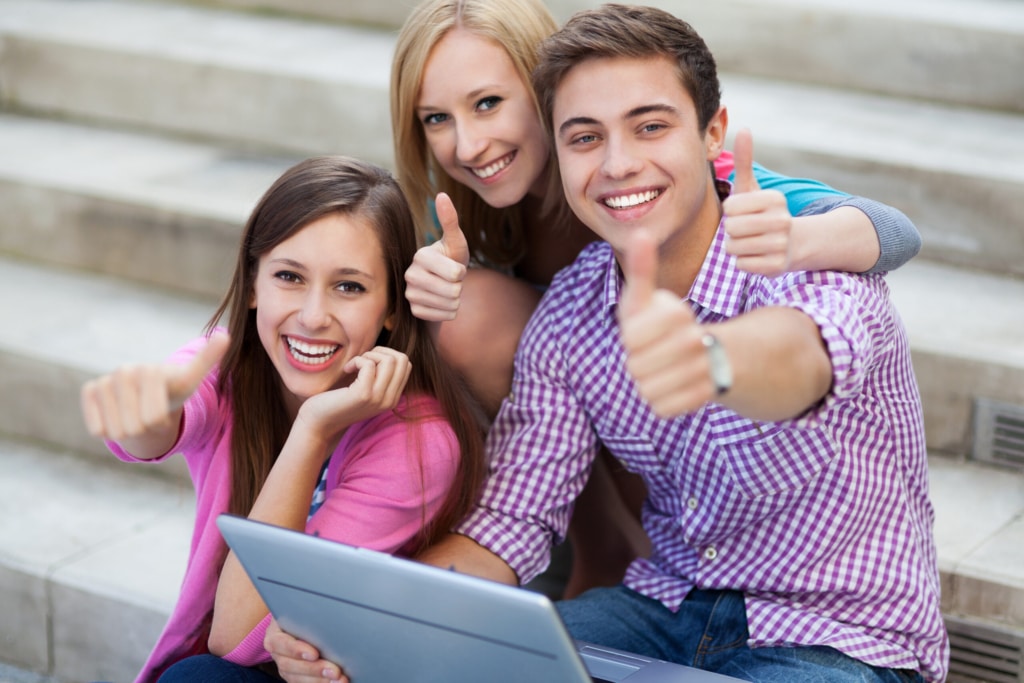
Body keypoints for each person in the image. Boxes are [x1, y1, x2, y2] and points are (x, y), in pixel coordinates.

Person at [268, 5, 946, 682]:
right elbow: (510, 517)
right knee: (461, 662)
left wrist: (712, 359)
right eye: (586, 138)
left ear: (714, 133)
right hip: (663, 609)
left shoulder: (805, 247)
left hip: (843, 636)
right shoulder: (570, 310)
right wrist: (360, 622)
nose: (619, 164)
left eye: (649, 126)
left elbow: (803, 356)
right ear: (557, 149)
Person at [392, 0, 922, 599]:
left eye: (488, 102)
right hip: (598, 414)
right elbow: (514, 506)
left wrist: (795, 244)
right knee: (471, 320)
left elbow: (890, 240)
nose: (468, 144)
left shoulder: (714, 180)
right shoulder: (464, 216)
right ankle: (607, 546)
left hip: (749, 463)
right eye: (436, 118)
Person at [79, 156, 485, 683]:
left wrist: (312, 430)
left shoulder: (419, 440)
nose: (313, 316)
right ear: (252, 286)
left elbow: (235, 635)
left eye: (349, 287)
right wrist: (142, 418)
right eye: (289, 277)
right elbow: (167, 417)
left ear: (391, 308)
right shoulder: (226, 371)